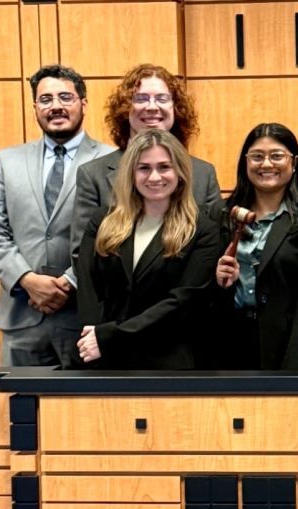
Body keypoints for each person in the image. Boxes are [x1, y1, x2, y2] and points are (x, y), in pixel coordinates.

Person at [0, 64, 114, 367]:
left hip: (85, 320)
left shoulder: (112, 159)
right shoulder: (8, 160)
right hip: (21, 317)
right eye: (46, 99)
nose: (56, 106)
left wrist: (68, 281)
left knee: (87, 413)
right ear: (35, 107)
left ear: (83, 103)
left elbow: (116, 231)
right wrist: (26, 279)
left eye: (65, 97)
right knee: (20, 409)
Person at [76, 129, 221, 369]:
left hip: (167, 358)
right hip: (103, 356)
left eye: (164, 167)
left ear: (180, 172)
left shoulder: (202, 229)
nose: (154, 177)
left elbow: (183, 301)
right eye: (144, 168)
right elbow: (88, 284)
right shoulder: (102, 220)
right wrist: (95, 335)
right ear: (130, 173)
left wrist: (114, 335)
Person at [72, 63, 221, 274]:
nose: (152, 107)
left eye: (162, 99)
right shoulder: (93, 175)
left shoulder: (203, 174)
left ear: (176, 108)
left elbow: (215, 251)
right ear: (125, 109)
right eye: (141, 99)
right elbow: (82, 257)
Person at [212, 123, 298, 370]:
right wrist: (219, 281)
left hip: (293, 346)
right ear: (245, 162)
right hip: (230, 346)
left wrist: (295, 370)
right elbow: (202, 294)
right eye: (257, 156)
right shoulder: (221, 215)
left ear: (294, 162)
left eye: (277, 156)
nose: (266, 164)